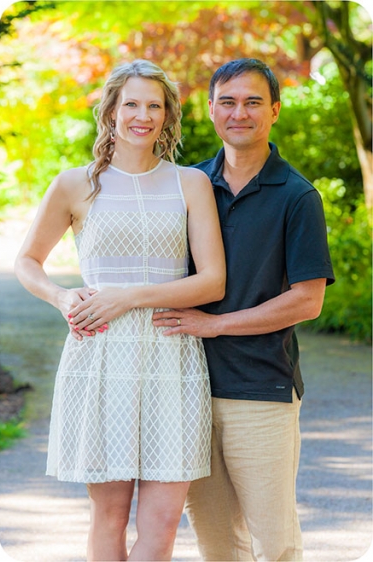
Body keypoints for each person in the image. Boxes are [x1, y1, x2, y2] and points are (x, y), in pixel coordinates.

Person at [15, 60, 226, 561]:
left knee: (164, 525)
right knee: (108, 517)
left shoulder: (191, 183)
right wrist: (63, 297)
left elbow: (213, 280)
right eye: (131, 103)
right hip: (100, 359)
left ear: (168, 116)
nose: (142, 115)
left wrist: (128, 295)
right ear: (110, 110)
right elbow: (27, 261)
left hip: (172, 360)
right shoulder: (75, 184)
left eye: (154, 105)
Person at [152, 58, 335, 560]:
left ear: (274, 110)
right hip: (186, 386)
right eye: (228, 101)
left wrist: (214, 325)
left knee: (273, 542)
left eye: (253, 102)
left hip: (261, 389)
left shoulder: (298, 197)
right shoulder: (186, 187)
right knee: (216, 542)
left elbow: (308, 300)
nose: (240, 113)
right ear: (209, 110)